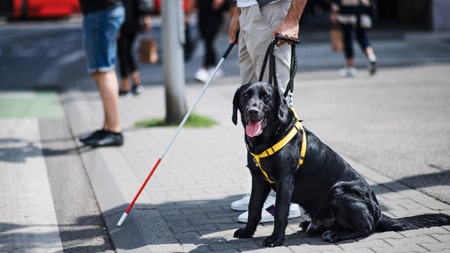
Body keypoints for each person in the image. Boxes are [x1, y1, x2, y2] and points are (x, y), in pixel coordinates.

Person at [227, 0, 307, 223]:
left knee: (275, 107)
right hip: (249, 12)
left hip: (273, 8)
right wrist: (238, 13)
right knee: (251, 106)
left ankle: (283, 199)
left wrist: (291, 19)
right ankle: (260, 193)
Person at [78, 0, 125, 147]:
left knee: (104, 71)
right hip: (100, 13)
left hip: (102, 13)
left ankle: (114, 130)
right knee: (100, 71)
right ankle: (108, 127)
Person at [330, 0, 377, 77]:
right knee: (362, 37)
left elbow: (336, 3)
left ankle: (350, 67)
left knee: (347, 40)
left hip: (346, 12)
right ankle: (371, 56)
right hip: (361, 11)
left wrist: (334, 13)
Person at [118, 0, 153, 98]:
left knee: (123, 54)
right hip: (133, 20)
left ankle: (125, 88)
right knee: (127, 52)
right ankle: (136, 83)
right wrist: (146, 17)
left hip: (122, 22)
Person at [188, 0, 229, 83]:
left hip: (215, 10)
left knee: (208, 39)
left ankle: (205, 68)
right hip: (202, 10)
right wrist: (189, 12)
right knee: (206, 40)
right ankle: (214, 67)